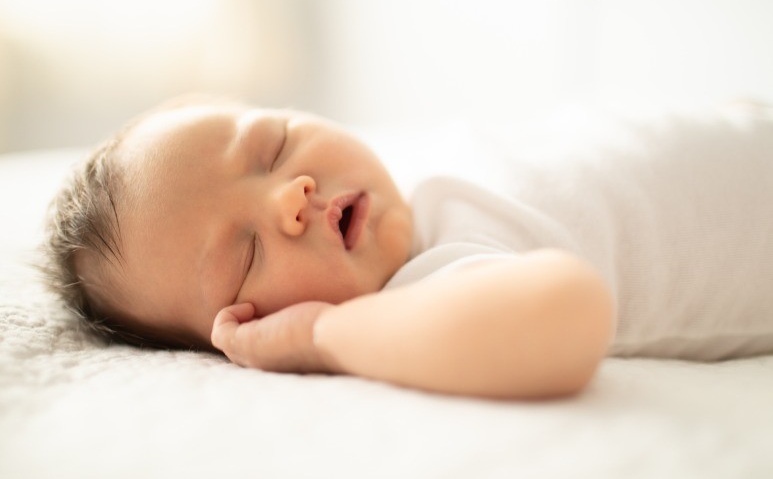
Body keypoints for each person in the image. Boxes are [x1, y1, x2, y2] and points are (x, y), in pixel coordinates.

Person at [43, 97, 773, 400]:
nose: (287, 197)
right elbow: (565, 313)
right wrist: (326, 335)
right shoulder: (430, 283)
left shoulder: (431, 182)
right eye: (247, 255)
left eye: (273, 146)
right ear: (249, 329)